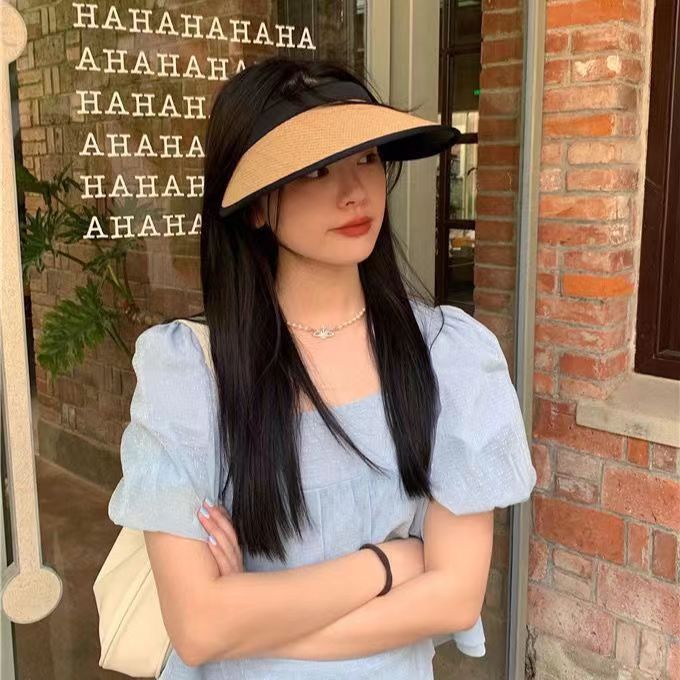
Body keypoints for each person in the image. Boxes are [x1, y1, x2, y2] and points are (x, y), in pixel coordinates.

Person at [107, 55, 538, 679]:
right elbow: (198, 629)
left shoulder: (447, 355)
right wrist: (388, 565)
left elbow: (454, 598)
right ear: (256, 208)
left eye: (366, 157)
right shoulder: (192, 371)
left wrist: (250, 619)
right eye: (315, 169)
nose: (354, 190)